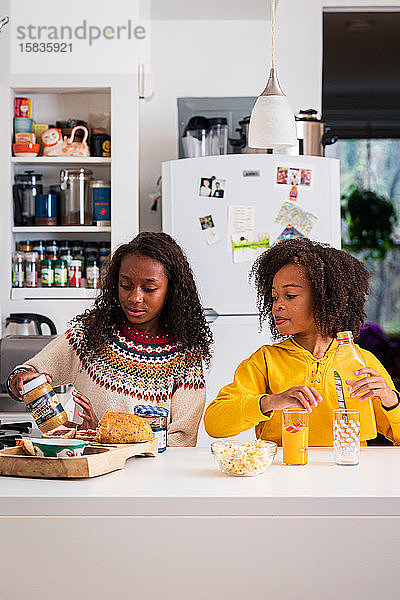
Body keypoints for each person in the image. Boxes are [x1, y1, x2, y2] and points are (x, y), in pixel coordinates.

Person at [8, 232, 213, 446]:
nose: (135, 298)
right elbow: (31, 372)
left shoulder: (184, 356)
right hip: (87, 473)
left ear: (172, 291)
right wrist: (20, 380)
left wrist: (103, 436)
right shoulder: (91, 333)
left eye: (150, 288)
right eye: (125, 285)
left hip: (151, 477)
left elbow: (182, 441)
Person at [204, 238, 400, 446]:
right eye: (273, 297)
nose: (277, 305)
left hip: (349, 472)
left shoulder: (362, 361)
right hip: (283, 473)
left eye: (290, 295)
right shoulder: (265, 360)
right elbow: (215, 423)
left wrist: (390, 400)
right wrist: (272, 401)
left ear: (326, 298)